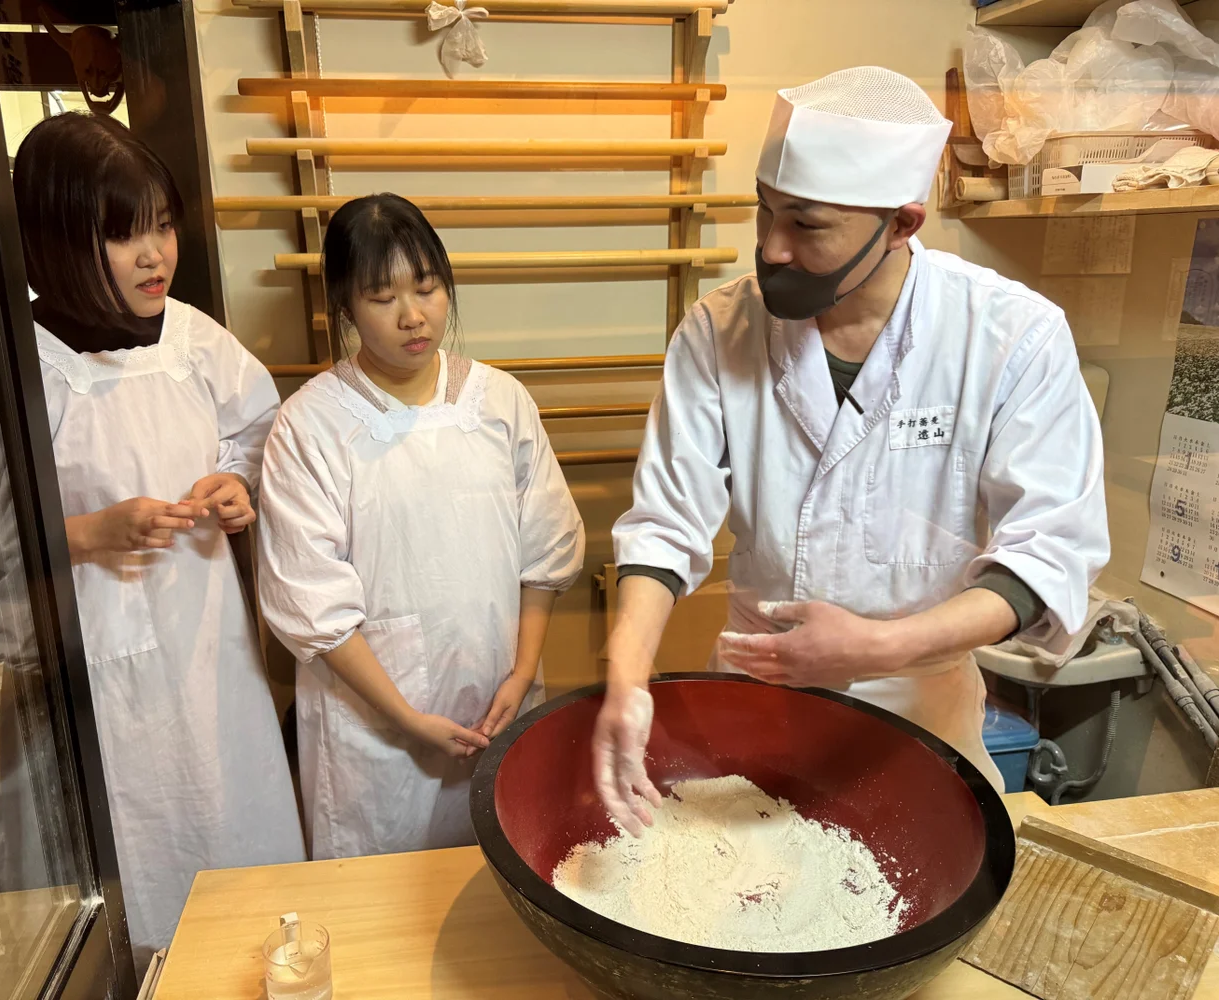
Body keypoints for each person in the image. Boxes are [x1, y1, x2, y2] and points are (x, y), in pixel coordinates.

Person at [593, 66, 1109, 834]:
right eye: (762, 212)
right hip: (754, 695)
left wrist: (878, 645)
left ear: (901, 224)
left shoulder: (1008, 336)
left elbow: (1047, 555)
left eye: (806, 226)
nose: (769, 249)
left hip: (919, 708)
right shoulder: (717, 330)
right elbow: (666, 522)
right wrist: (625, 679)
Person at [9, 112, 304, 966]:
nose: (154, 256)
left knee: (238, 827)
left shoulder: (190, 338)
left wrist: (236, 485)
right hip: (102, 671)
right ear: (59, 239)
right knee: (144, 851)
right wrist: (85, 532)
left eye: (163, 227)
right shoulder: (25, 365)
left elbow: (259, 433)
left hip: (212, 652)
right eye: (122, 235)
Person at [258, 194, 585, 860]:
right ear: (344, 305)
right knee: (381, 900)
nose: (413, 316)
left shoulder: (497, 402)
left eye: (427, 288)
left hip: (500, 701)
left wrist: (521, 674)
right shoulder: (310, 425)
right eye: (381, 297)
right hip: (373, 734)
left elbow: (545, 548)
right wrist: (405, 719)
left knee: (500, 870)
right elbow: (310, 602)